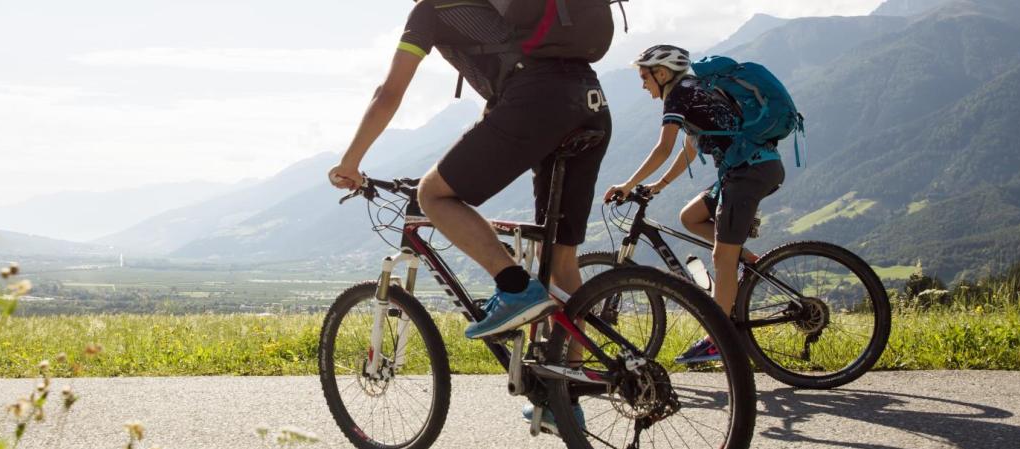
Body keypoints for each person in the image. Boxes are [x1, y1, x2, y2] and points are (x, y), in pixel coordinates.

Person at [328, 0, 611, 341]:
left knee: (433, 195)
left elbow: (389, 93)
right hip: (590, 98)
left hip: (538, 101)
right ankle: (569, 382)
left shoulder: (429, 10)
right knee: (558, 257)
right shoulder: (503, 8)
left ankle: (515, 286)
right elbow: (505, 92)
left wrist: (350, 162)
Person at [604, 45, 785, 364]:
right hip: (749, 169)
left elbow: (663, 148)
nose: (643, 85)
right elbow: (689, 149)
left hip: (749, 172)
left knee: (721, 256)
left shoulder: (680, 94)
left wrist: (627, 185)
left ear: (662, 74)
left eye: (645, 77)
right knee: (691, 216)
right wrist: (657, 186)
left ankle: (719, 339)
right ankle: (745, 260)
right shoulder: (695, 90)